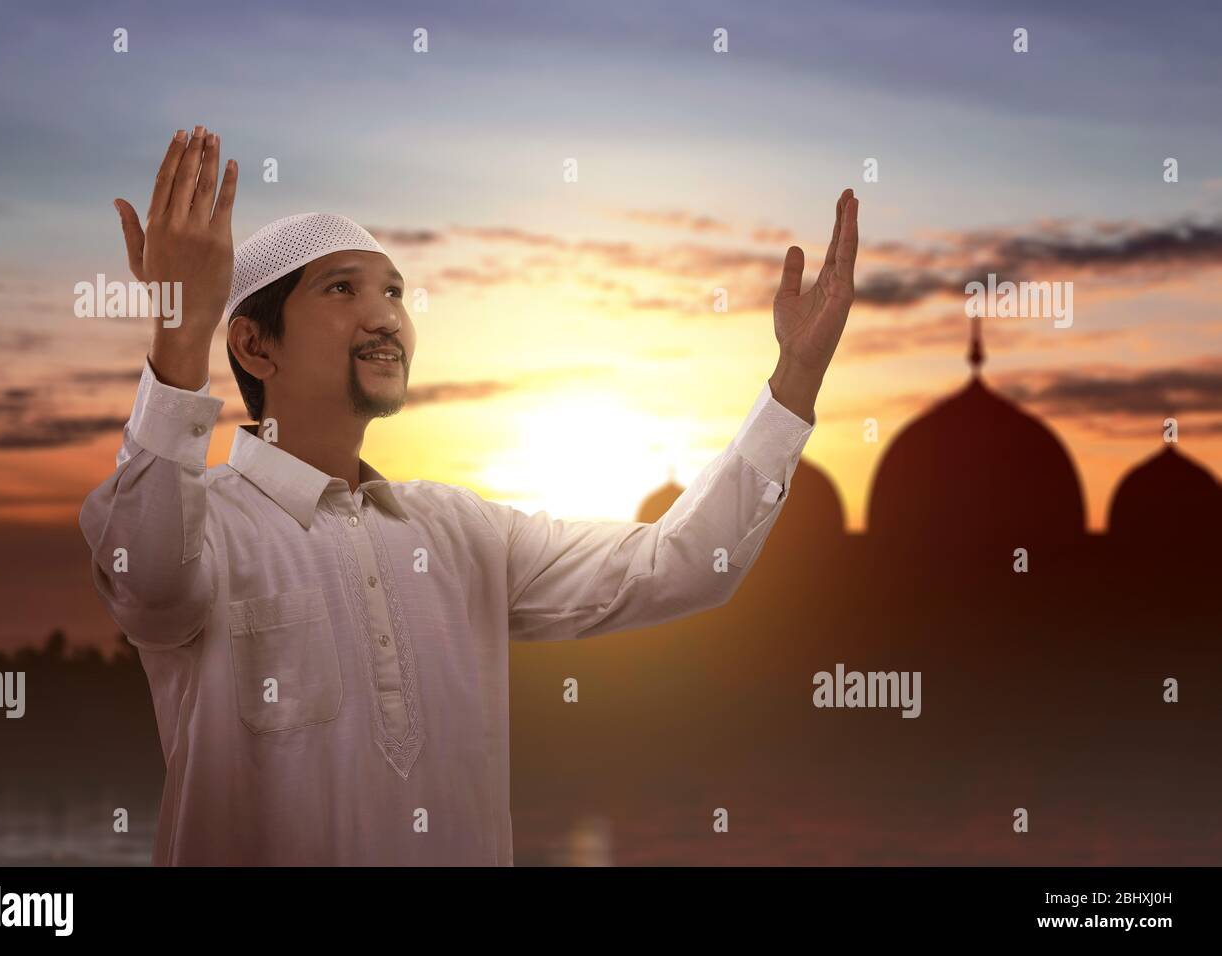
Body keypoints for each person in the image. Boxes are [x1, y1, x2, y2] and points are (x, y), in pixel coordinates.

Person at [79, 125, 860, 865]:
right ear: (255, 344)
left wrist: (796, 379)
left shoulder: (461, 534)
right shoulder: (207, 527)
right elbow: (150, 580)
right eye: (343, 290)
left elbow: (688, 563)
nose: (385, 317)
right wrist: (181, 332)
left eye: (396, 292)